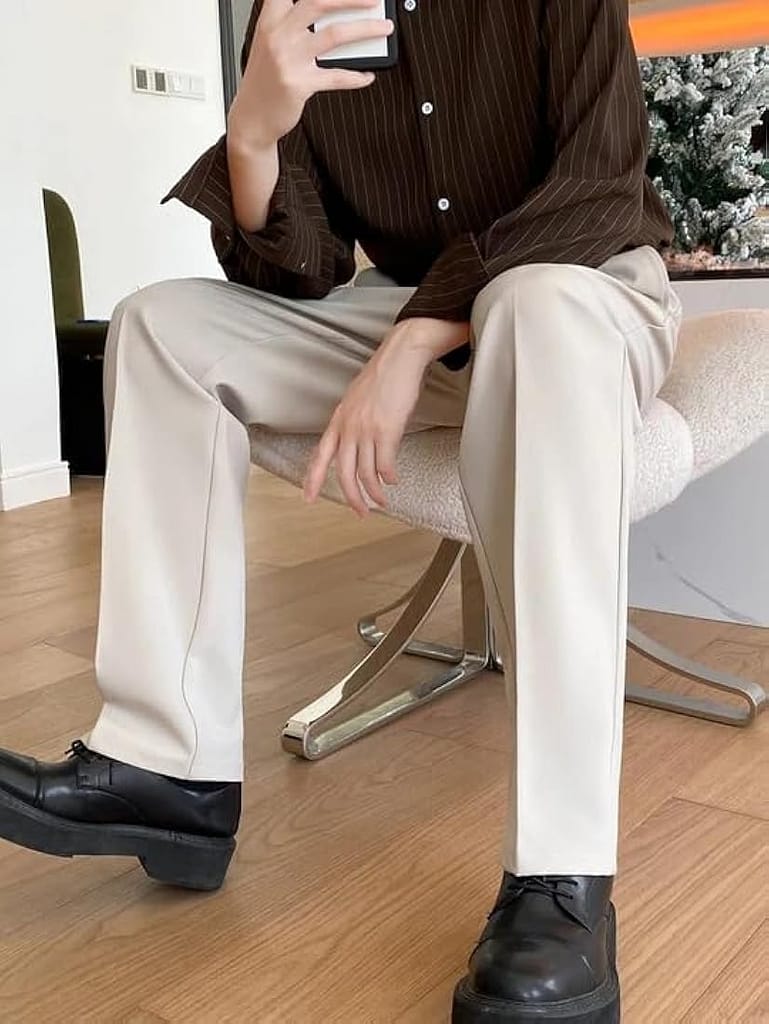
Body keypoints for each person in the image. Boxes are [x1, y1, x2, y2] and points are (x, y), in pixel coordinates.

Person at [0, 1, 682, 1020]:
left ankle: (560, 877)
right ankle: (166, 767)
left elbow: (596, 190)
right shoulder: (297, 13)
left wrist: (411, 341)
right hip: (401, 303)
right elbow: (302, 269)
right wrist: (253, 133)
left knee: (532, 304)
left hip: (581, 292)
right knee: (159, 326)